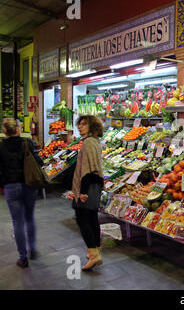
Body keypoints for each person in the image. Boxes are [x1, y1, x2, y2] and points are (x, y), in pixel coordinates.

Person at [0, 118, 43, 268]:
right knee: (30, 218)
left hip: (11, 187)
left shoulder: (1, 146)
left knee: (17, 222)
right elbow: (40, 162)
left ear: (4, 131)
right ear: (18, 129)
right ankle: (33, 249)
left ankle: (23, 257)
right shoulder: (28, 142)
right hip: (29, 184)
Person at [72, 115, 104, 271]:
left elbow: (88, 170)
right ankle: (96, 249)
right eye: (79, 124)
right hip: (95, 185)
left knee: (82, 219)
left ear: (92, 126)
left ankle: (93, 255)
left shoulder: (88, 143)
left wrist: (83, 192)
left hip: (89, 186)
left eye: (84, 124)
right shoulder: (94, 141)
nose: (80, 127)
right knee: (92, 218)